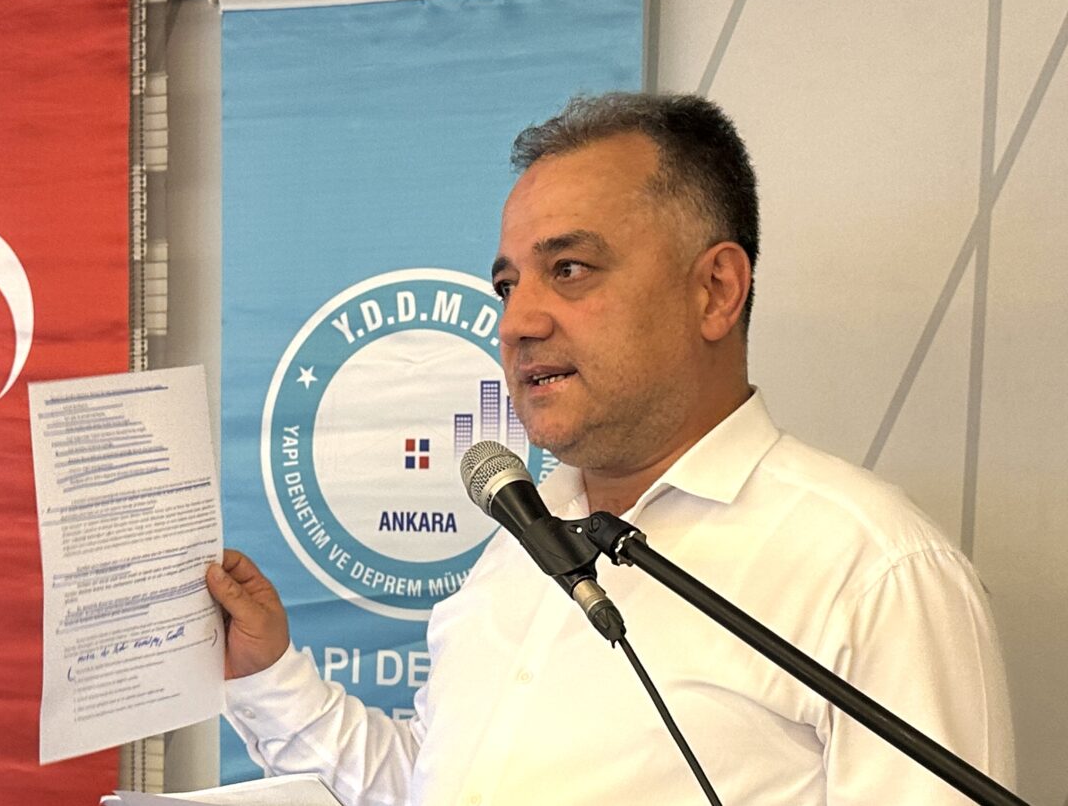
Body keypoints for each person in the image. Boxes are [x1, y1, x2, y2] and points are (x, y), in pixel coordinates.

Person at [206, 92, 1016, 805]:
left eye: (569, 269)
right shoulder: (521, 544)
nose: (516, 322)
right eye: (507, 285)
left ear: (715, 291)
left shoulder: (874, 572)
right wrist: (268, 676)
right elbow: (442, 784)